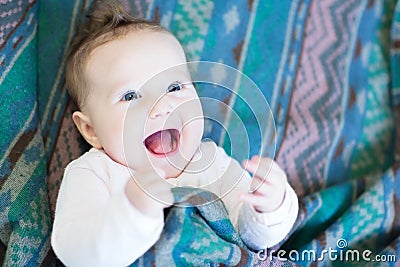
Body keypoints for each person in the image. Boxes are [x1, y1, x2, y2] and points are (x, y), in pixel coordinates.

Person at [51, 0, 299, 266]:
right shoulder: (94, 173)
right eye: (130, 95)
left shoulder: (211, 163)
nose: (160, 106)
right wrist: (133, 211)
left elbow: (251, 238)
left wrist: (269, 207)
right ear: (91, 130)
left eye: (173, 88)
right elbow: (74, 252)